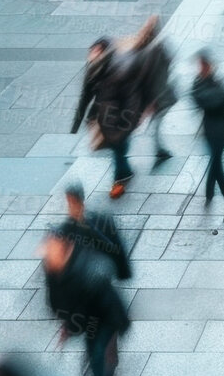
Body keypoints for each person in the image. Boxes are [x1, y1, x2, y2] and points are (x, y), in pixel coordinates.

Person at [41, 229, 130, 376]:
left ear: (63, 248)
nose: (46, 254)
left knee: (101, 368)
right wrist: (67, 325)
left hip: (102, 325)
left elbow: (113, 308)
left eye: (50, 249)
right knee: (96, 362)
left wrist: (111, 342)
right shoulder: (52, 269)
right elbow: (58, 300)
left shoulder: (88, 272)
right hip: (85, 323)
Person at [70, 38, 141, 198]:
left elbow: (131, 95)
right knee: (118, 147)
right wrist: (77, 122)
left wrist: (132, 118)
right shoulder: (92, 70)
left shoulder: (118, 68)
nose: (90, 54)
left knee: (118, 146)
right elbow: (85, 96)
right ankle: (126, 171)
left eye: (95, 51)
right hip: (104, 117)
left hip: (120, 116)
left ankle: (119, 179)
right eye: (91, 50)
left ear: (103, 52)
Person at [191, 53, 224, 217]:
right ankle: (209, 191)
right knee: (215, 163)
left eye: (203, 65)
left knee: (217, 168)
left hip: (219, 133)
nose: (201, 68)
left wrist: (209, 95)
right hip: (213, 131)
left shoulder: (211, 83)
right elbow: (200, 98)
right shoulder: (207, 83)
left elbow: (210, 100)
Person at [56, 181, 132, 282]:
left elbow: (110, 247)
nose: (70, 208)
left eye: (72, 203)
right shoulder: (71, 223)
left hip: (96, 270)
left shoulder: (97, 221)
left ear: (81, 203)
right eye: (69, 203)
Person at [127, 16, 176, 171]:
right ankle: (158, 148)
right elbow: (160, 72)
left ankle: (158, 148)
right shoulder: (156, 49)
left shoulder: (146, 48)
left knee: (155, 121)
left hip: (154, 94)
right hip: (158, 94)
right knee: (154, 121)